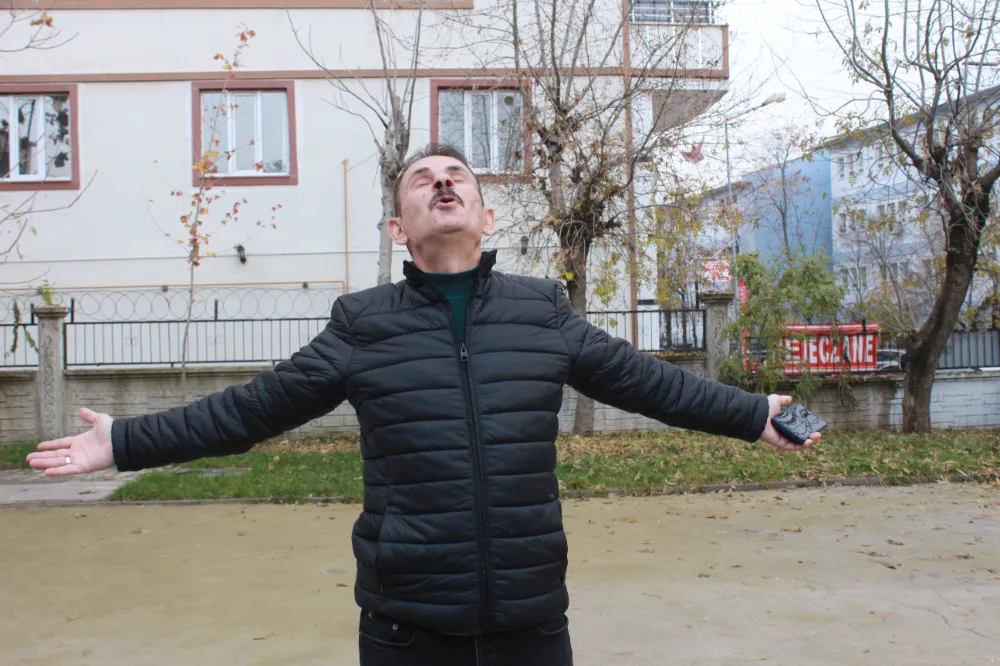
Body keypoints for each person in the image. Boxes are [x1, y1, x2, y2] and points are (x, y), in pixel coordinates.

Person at [28, 143, 821, 666]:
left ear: (487, 216)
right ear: (398, 225)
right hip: (408, 627)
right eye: (422, 179)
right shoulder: (362, 326)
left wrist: (752, 413)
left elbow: (652, 383)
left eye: (457, 176)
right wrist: (124, 442)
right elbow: (250, 411)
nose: (443, 182)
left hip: (531, 621)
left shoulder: (542, 312)